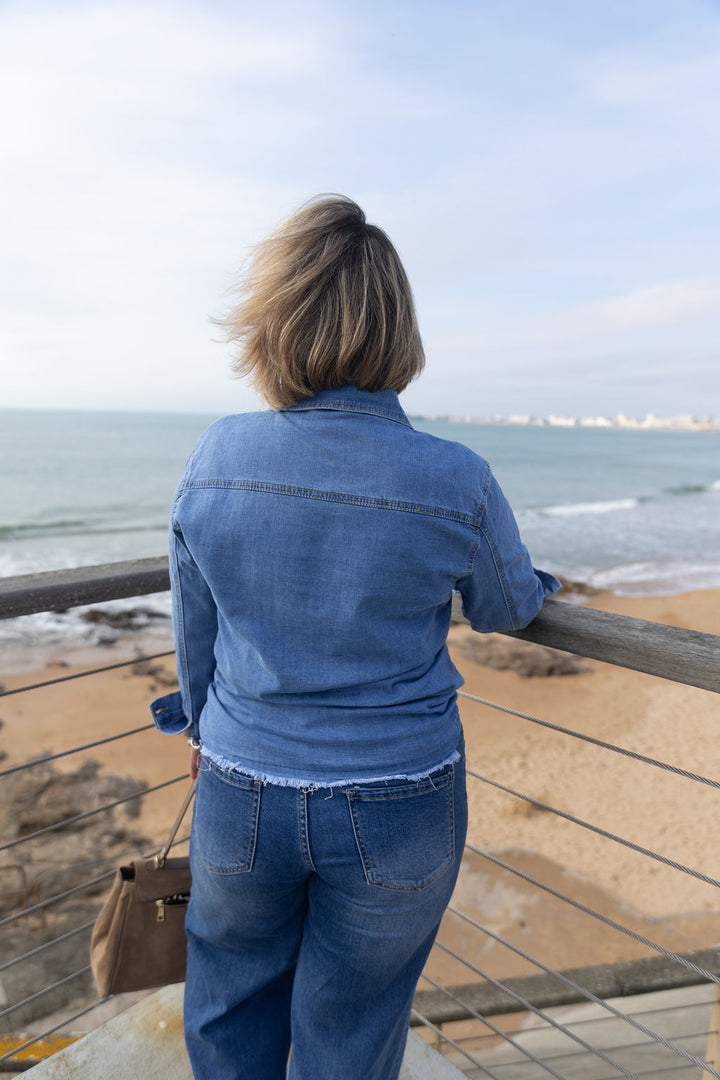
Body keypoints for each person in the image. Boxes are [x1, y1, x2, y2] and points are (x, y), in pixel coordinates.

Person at [151, 194, 560, 1080]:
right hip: (398, 796)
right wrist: (540, 585)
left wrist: (198, 723)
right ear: (397, 331)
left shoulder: (217, 454)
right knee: (354, 1026)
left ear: (274, 326)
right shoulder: (456, 475)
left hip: (241, 779)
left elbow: (196, 626)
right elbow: (504, 607)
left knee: (226, 1004)